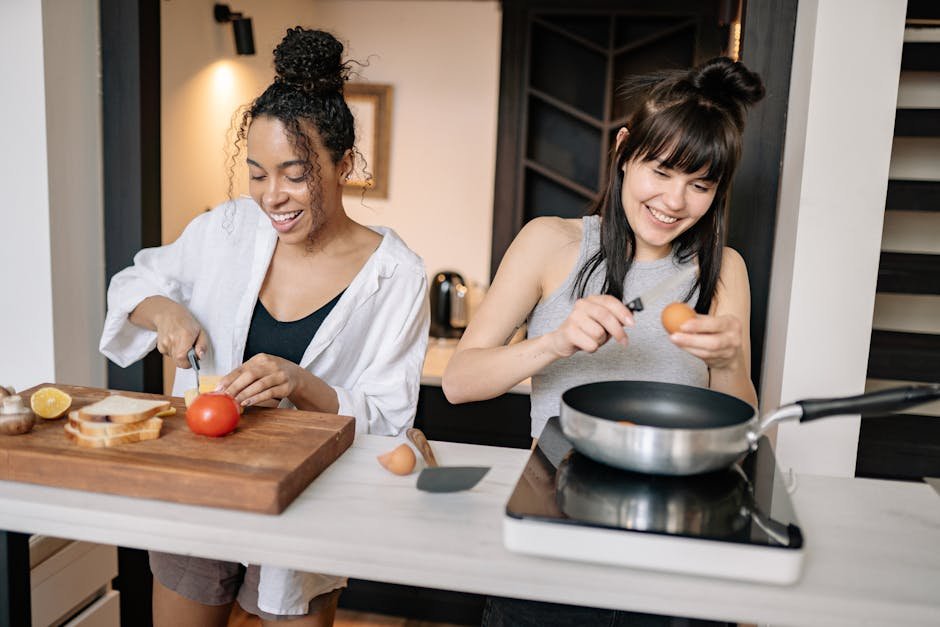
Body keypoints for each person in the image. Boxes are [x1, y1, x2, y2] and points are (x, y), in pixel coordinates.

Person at [100, 28, 429, 627]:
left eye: (294, 174)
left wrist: (300, 382)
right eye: (256, 174)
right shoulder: (226, 229)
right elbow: (132, 284)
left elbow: (389, 416)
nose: (271, 196)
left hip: (310, 502)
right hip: (201, 486)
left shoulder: (397, 275)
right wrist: (165, 312)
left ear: (344, 165)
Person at [443, 57, 764, 626]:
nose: (674, 201)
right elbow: (459, 383)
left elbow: (741, 427)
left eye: (700, 185)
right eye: (661, 172)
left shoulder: (723, 270)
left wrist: (731, 360)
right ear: (623, 151)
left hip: (678, 539)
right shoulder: (551, 243)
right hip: (555, 522)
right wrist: (555, 342)